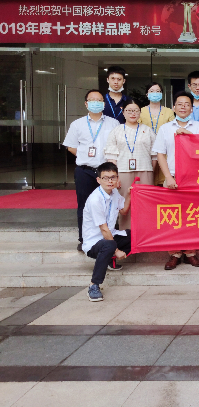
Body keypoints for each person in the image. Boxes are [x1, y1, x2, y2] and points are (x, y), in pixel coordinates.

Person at [152, 92, 199, 270]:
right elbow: (160, 154)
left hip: (194, 179)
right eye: (180, 104)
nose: (183, 107)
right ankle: (174, 253)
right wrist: (168, 177)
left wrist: (188, 134)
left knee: (193, 216)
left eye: (187, 104)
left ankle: (191, 253)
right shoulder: (165, 128)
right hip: (172, 177)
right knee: (172, 217)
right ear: (174, 107)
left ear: (192, 108)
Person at [63, 90, 120, 251]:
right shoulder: (77, 124)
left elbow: (117, 146)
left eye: (99, 100)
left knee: (109, 204)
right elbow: (71, 146)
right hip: (85, 171)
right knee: (84, 205)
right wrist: (84, 156)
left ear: (104, 103)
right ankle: (84, 239)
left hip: (107, 172)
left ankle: (109, 237)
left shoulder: (113, 123)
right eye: (92, 100)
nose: (96, 102)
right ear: (86, 103)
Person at [83, 162, 132, 302]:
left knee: (134, 236)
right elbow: (104, 229)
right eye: (105, 178)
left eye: (113, 177)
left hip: (111, 236)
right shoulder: (95, 199)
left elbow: (123, 211)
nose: (110, 181)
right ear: (98, 180)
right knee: (109, 245)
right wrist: (116, 251)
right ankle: (94, 285)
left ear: (117, 179)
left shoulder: (114, 192)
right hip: (94, 243)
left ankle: (109, 259)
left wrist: (129, 194)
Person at [104, 101, 157, 230]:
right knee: (125, 201)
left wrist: (151, 172)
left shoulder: (147, 130)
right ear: (123, 112)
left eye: (136, 110)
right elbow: (111, 156)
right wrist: (115, 177)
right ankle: (126, 232)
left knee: (146, 202)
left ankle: (145, 231)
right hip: (123, 171)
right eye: (129, 110)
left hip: (145, 170)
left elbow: (154, 155)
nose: (133, 113)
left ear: (140, 113)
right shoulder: (116, 131)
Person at [139, 82, 175, 186]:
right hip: (146, 149)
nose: (155, 93)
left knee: (165, 177)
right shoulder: (141, 111)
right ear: (147, 94)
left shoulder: (169, 111)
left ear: (161, 94)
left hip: (165, 150)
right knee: (148, 179)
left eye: (158, 91)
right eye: (152, 91)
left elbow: (172, 129)